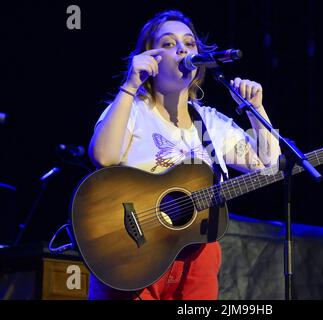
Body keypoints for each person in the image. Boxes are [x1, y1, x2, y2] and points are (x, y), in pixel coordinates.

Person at [88, 9, 281, 300]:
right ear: (149, 58)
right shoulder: (133, 109)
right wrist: (129, 86)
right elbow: (103, 156)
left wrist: (256, 110)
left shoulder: (209, 122)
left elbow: (267, 165)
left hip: (197, 258)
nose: (182, 49)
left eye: (189, 44)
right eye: (168, 43)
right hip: (134, 254)